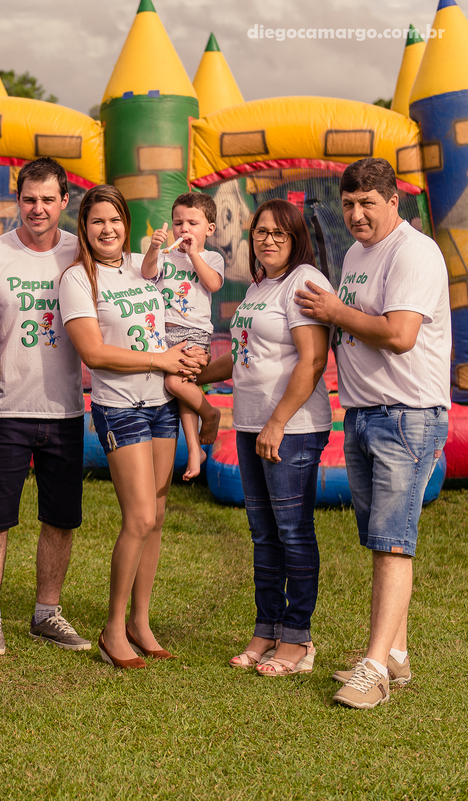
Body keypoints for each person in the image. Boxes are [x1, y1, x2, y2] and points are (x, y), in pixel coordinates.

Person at [294, 158, 451, 709]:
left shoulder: (414, 252)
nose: (356, 214)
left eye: (367, 203)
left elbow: (400, 334)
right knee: (381, 540)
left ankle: (376, 670)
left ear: (393, 201)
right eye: (348, 204)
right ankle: (397, 655)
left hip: (406, 415)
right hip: (364, 413)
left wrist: (335, 311)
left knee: (392, 545)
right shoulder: (358, 254)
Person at [58, 184, 202, 669]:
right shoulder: (78, 279)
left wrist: (191, 353)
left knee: (156, 517)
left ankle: (141, 622)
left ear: (127, 224)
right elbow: (94, 353)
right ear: (84, 227)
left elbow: (186, 307)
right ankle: (113, 629)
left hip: (162, 403)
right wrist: (160, 359)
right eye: (97, 221)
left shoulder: (145, 265)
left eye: (115, 220)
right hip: (121, 408)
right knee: (138, 518)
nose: (107, 229)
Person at [196, 198, 332, 677]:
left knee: (293, 531)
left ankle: (298, 638)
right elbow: (242, 355)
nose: (268, 240)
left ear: (296, 239)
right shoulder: (259, 287)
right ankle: (266, 628)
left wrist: (277, 422)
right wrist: (194, 372)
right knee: (264, 533)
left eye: (279, 233)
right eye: (260, 232)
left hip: (291, 428)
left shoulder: (304, 281)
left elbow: (313, 360)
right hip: (251, 423)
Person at [0, 158, 91, 657]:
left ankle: (47, 613)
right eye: (28, 199)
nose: (37, 208)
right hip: (7, 408)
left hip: (65, 409)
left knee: (60, 518)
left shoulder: (82, 252)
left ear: (64, 201)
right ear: (17, 201)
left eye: (47, 199)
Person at [141, 193, 224, 480]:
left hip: (193, 333)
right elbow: (147, 273)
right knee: (182, 390)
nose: (184, 229)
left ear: (209, 229)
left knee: (175, 382)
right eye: (178, 223)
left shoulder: (211, 257)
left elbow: (213, 284)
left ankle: (210, 414)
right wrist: (154, 249)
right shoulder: (166, 256)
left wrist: (193, 254)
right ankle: (194, 450)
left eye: (192, 223)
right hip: (164, 334)